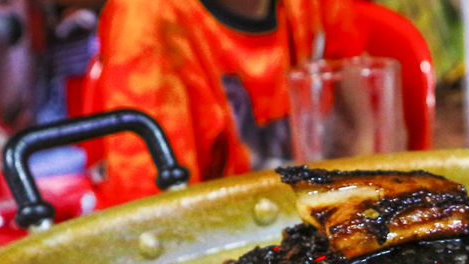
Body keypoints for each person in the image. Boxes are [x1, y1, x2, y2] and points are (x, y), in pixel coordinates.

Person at [93, 0, 364, 206]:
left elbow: (367, 135)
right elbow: (155, 212)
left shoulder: (322, 7)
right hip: (217, 235)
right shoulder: (146, 17)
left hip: (312, 213)